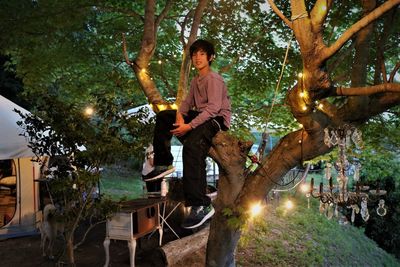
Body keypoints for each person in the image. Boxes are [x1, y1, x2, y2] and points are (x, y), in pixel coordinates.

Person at [144, 39, 231, 229]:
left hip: (217, 119)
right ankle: (162, 163)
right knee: (165, 116)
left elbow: (214, 109)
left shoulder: (214, 79)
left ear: (210, 57)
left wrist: (189, 126)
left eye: (202, 54)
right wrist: (179, 116)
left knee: (192, 147)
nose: (197, 58)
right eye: (194, 54)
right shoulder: (195, 80)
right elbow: (185, 104)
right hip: (201, 116)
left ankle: (201, 205)